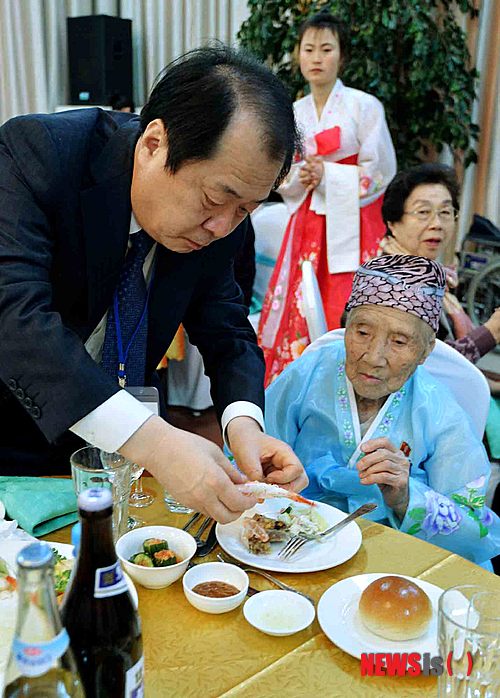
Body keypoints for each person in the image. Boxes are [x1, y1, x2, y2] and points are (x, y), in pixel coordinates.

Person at [0, 46, 307, 522]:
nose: (223, 227)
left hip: (116, 462)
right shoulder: (37, 153)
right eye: (214, 198)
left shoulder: (225, 219)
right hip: (12, 436)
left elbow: (227, 327)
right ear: (153, 144)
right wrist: (157, 443)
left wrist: (244, 426)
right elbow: (14, 318)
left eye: (247, 208)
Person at [265, 254, 500, 567]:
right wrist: (271, 480)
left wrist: (405, 497)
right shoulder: (310, 371)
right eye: (362, 332)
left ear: (425, 350)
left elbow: (475, 530)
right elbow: (253, 449)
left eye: (399, 341)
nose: (374, 357)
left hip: (388, 557)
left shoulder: (439, 411)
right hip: (293, 540)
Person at [258, 12, 396, 386]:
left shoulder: (365, 106)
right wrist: (298, 177)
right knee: (300, 303)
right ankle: (299, 386)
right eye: (309, 49)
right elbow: (280, 171)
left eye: (326, 49)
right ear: (298, 56)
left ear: (341, 56)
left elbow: (380, 170)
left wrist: (329, 175)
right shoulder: (293, 112)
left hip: (354, 223)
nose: (317, 58)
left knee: (350, 302)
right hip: (307, 223)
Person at [380, 163, 500, 363]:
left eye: (445, 212)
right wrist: (492, 331)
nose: (436, 224)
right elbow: (428, 366)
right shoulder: (389, 282)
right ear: (393, 223)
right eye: (423, 212)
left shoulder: (428, 275)